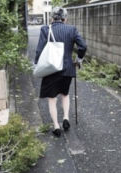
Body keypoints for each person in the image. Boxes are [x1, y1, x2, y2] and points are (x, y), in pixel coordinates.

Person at [35, 7, 87, 137]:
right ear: (65, 18)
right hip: (68, 68)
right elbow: (83, 46)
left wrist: (37, 63)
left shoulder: (46, 30)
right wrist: (79, 59)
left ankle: (56, 126)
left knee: (52, 98)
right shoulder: (72, 29)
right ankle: (65, 118)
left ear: (52, 18)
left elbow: (39, 50)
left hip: (51, 69)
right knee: (65, 94)